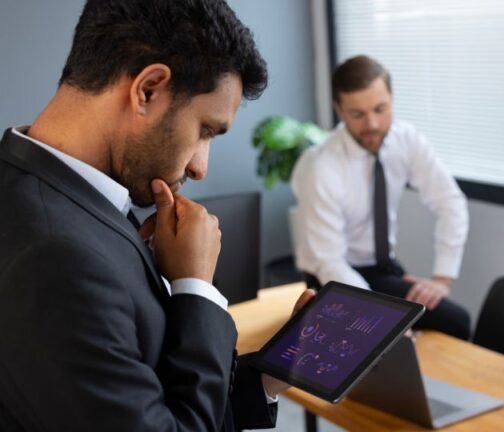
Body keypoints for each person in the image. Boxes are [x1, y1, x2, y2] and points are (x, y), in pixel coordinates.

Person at [0, 1, 315, 430]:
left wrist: (267, 377)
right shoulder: (55, 256)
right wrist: (195, 289)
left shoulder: (70, 196)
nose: (200, 167)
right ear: (147, 89)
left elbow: (149, 397)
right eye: (206, 129)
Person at [291, 55, 471, 340]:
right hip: (332, 276)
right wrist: (376, 319)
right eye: (357, 114)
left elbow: (450, 202)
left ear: (392, 99)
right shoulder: (321, 166)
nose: (372, 124)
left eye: (380, 109)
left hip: (383, 267)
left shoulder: (406, 140)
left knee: (456, 322)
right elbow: (329, 262)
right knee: (375, 344)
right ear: (339, 109)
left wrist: (442, 279)